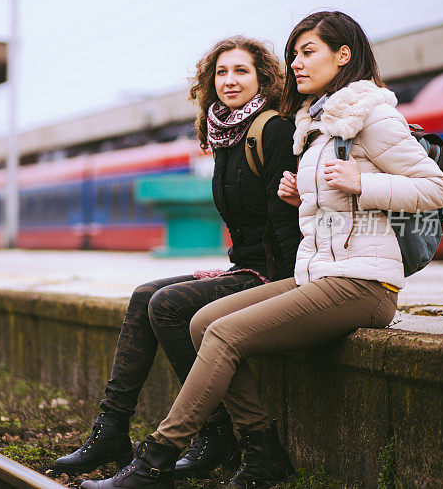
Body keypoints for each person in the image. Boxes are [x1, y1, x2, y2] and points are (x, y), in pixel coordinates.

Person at [79, 11, 443, 489]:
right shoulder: (318, 120)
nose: (295, 62)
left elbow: (434, 188)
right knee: (198, 324)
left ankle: (156, 460)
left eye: (308, 51)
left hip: (364, 282)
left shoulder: (371, 113)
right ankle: (263, 452)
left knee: (224, 335)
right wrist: (306, 196)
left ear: (344, 55)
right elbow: (335, 203)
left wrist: (365, 183)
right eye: (294, 53)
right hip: (320, 275)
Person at [53, 36, 299, 480]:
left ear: (263, 76)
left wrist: (287, 285)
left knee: (167, 305)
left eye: (242, 71)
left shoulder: (273, 130)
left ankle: (218, 431)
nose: (230, 81)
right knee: (144, 294)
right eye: (222, 72)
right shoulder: (225, 133)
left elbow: (286, 222)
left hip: (274, 273)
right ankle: (111, 429)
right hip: (244, 266)